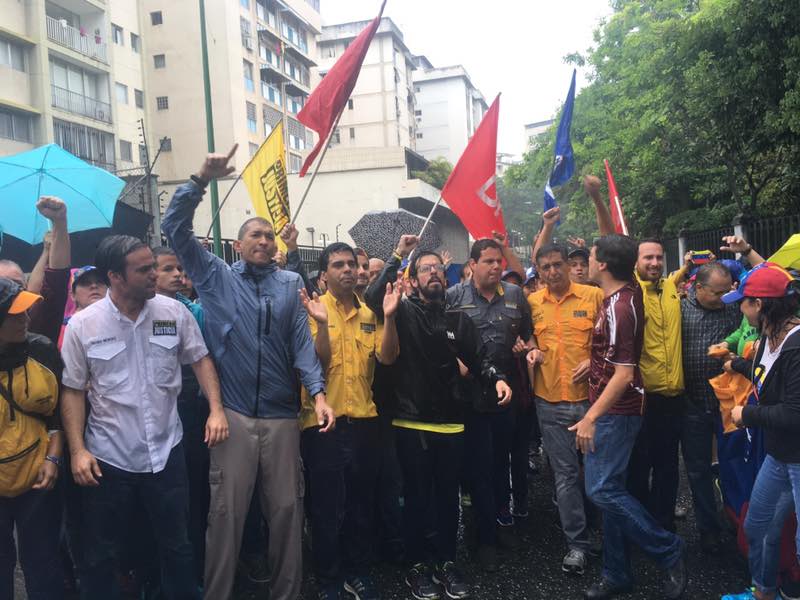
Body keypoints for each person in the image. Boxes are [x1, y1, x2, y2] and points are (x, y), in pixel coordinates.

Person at [161, 145, 335, 600]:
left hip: (281, 417)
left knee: (286, 513)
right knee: (226, 516)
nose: (264, 241)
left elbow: (301, 343)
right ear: (237, 245)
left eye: (270, 237)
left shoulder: (291, 283)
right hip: (233, 415)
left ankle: (288, 593)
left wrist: (317, 393)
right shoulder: (216, 276)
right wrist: (200, 179)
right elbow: (173, 228)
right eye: (254, 235)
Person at [59, 235, 229, 599]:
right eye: (144, 269)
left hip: (167, 453)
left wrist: (215, 408)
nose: (155, 274)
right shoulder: (83, 326)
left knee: (177, 547)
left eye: (153, 266)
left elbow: (200, 358)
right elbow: (72, 389)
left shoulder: (174, 313)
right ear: (115, 277)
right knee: (101, 553)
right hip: (109, 458)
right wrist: (77, 451)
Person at [366, 235, 511, 600]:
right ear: (413, 279)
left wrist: (498, 379)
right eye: (424, 268)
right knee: (416, 499)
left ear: (446, 278)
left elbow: (481, 361)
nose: (433, 272)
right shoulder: (402, 310)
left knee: (448, 499)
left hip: (452, 424)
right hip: (411, 422)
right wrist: (398, 254)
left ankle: (446, 561)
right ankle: (417, 566)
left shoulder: (459, 321)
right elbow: (371, 297)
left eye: (437, 268)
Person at [569, 235, 686, 600]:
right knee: (612, 490)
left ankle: (667, 549)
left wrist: (590, 417)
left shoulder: (621, 306)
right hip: (615, 410)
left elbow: (623, 372)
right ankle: (617, 573)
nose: (586, 262)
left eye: (590, 256)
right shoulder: (626, 292)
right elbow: (618, 243)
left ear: (602, 264)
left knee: (600, 489)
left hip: (616, 413)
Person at [299, 242, 400, 599]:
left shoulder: (370, 315)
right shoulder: (310, 310)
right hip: (323, 424)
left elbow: (387, 359)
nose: (348, 270)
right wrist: (323, 325)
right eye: (338, 265)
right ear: (323, 275)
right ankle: (328, 578)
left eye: (351, 265)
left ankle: (357, 570)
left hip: (364, 422)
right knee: (327, 507)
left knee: (360, 503)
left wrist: (389, 317)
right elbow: (318, 366)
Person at [446, 238, 533, 572]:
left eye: (499, 261)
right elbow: (440, 339)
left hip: (505, 393)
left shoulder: (514, 296)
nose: (497, 267)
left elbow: (528, 334)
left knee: (502, 464)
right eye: (489, 262)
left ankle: (501, 520)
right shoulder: (454, 298)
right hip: (468, 398)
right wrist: (456, 363)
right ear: (472, 265)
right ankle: (483, 538)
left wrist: (528, 347)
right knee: (477, 468)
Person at [721, 263, 800, 600]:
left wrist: (746, 414)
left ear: (761, 305)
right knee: (757, 525)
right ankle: (764, 593)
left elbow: (795, 413)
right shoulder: (769, 337)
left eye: (744, 301)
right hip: (779, 455)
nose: (740, 308)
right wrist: (734, 363)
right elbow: (764, 373)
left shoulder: (796, 346)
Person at [527, 243, 604, 575]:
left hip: (591, 404)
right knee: (566, 477)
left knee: (601, 476)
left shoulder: (593, 296)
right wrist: (531, 349)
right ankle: (577, 545)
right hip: (550, 403)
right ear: (539, 271)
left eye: (557, 265)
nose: (552, 272)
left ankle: (609, 536)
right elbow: (526, 338)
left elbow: (611, 340)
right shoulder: (530, 304)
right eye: (545, 267)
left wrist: (593, 359)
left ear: (568, 265)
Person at [0, 278, 64, 599]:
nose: (26, 320)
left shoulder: (42, 350)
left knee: (42, 561)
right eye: (15, 315)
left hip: (38, 476)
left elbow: (58, 415)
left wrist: (53, 459)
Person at [153, 246, 209, 584]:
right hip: (157, 417)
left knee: (195, 492)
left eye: (179, 268)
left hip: (191, 411)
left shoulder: (191, 312)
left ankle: (195, 571)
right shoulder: (139, 314)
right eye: (168, 269)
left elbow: (203, 359)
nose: (177, 275)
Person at [625, 238, 686, 532]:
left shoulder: (671, 287)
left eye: (659, 257)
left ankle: (662, 525)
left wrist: (686, 266)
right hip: (642, 397)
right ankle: (640, 525)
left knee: (668, 465)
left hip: (673, 395)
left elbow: (677, 275)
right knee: (639, 465)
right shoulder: (630, 291)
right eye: (648, 257)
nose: (655, 263)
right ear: (635, 261)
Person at [681, 261, 741, 552]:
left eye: (726, 291)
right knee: (697, 469)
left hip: (730, 403)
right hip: (692, 402)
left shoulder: (733, 308)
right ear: (698, 288)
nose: (722, 298)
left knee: (733, 464)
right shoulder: (680, 311)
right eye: (716, 293)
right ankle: (708, 528)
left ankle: (736, 519)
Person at [0, 196, 71, 345]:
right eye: (5, 286)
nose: (24, 318)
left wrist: (59, 222)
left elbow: (56, 281)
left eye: (19, 286)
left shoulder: (39, 347)